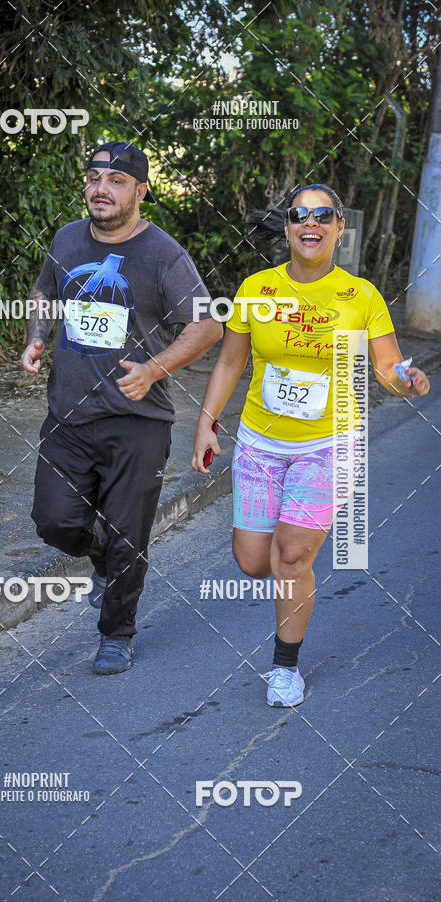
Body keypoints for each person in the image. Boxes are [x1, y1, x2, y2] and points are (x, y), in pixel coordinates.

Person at [191, 183, 430, 707]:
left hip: (330, 444)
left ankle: (285, 667)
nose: (311, 223)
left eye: (324, 216)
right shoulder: (257, 288)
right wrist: (207, 423)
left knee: (293, 555)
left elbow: (388, 367)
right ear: (287, 227)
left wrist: (407, 380)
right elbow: (230, 361)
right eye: (300, 214)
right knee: (254, 561)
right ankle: (287, 570)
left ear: (340, 228)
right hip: (260, 442)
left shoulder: (360, 296)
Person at [21, 141, 222, 675]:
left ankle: (117, 633)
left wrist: (153, 369)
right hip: (68, 416)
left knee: (129, 535)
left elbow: (207, 325)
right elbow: (42, 292)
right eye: (94, 178)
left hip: (138, 421)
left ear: (141, 191)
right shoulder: (67, 238)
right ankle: (102, 557)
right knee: (54, 521)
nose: (101, 189)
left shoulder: (163, 253)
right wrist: (36, 338)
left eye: (115, 181)